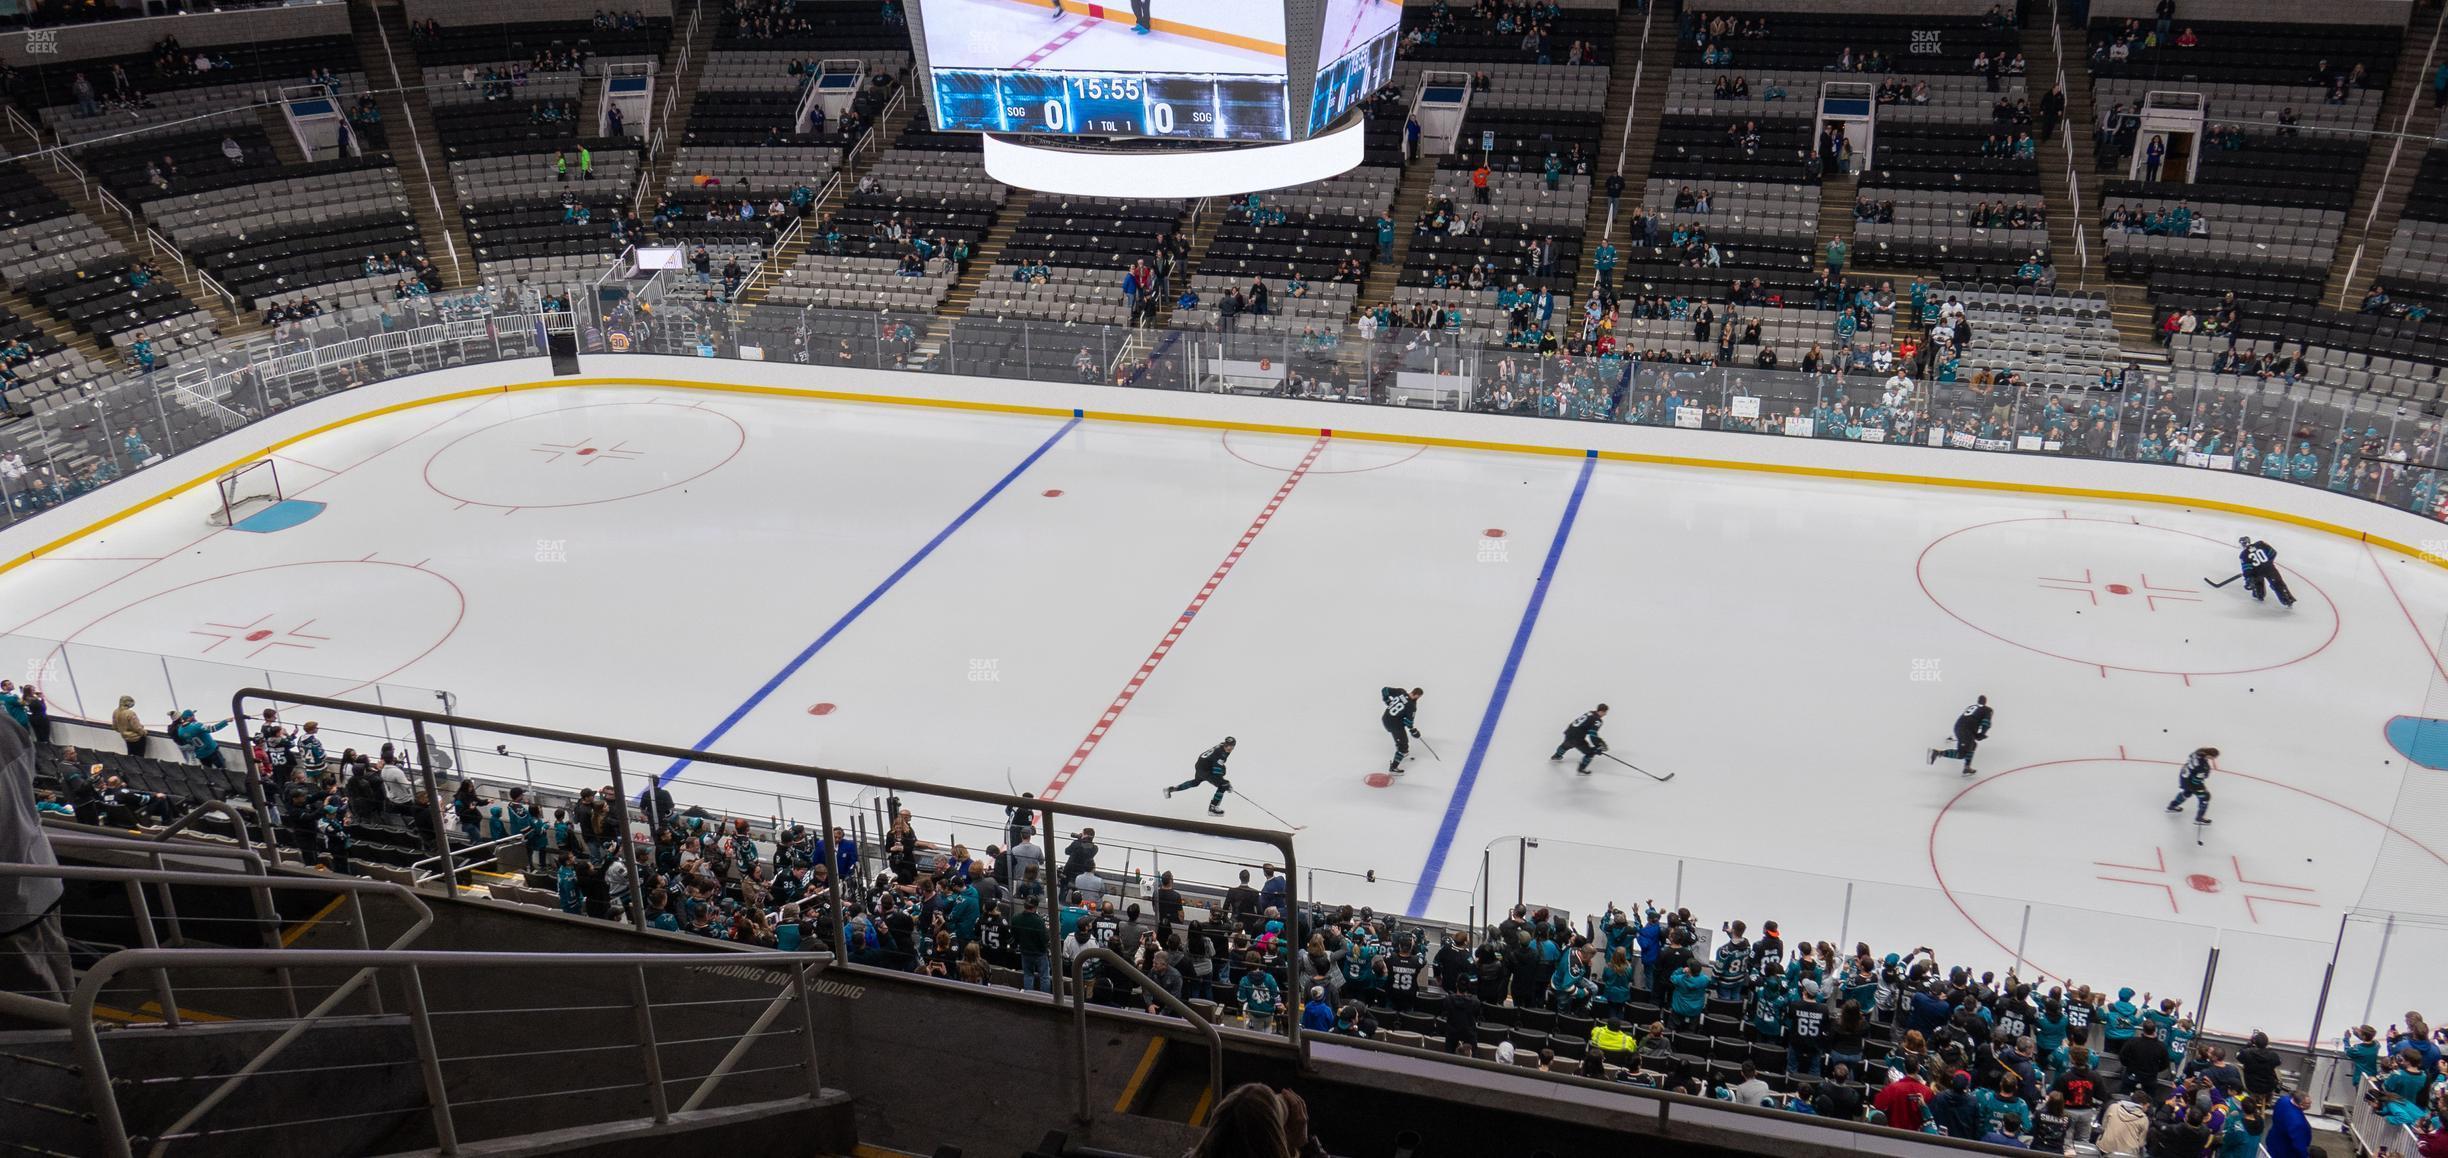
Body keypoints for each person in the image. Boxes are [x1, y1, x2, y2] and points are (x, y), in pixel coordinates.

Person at [1164, 737, 1235, 816]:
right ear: (1225, 744)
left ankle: (1171, 789)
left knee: (1196, 782)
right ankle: (1213, 808)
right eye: (1227, 745)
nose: (1229, 748)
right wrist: (1226, 784)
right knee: (1223, 785)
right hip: (1205, 769)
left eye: (1231, 746)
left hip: (1201, 766)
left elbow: (1218, 763)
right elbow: (1217, 772)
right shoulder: (1221, 753)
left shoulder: (1221, 747)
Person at [1929, 694, 1994, 775]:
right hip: (1966, 729)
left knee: (1973, 745)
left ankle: (1967, 767)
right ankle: (1938, 753)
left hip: (1959, 727)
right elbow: (1986, 723)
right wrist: (1982, 734)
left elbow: (1971, 719)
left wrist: (1977, 735)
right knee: (1961, 754)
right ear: (1985, 702)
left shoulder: (1972, 707)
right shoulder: (1987, 710)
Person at [2165, 747, 2219, 825]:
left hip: (2184, 776)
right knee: (2205, 797)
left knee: (2187, 792)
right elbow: (2196, 781)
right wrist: (2202, 788)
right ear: (2210, 756)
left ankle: (2172, 806)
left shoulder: (2198, 751)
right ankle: (2199, 818)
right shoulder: (2204, 767)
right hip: (2191, 781)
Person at [2237, 537, 2295, 607]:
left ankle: (2259, 595)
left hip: (2258, 572)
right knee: (2278, 583)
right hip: (2270, 569)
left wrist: (2249, 579)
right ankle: (2287, 600)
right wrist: (2268, 563)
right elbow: (2273, 552)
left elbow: (2247, 569)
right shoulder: (2260, 544)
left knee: (2257, 581)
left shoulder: (2243, 554)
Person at [1550, 704, 1609, 774]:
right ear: (1602, 711)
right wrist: (1598, 746)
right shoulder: (1598, 720)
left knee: (1566, 745)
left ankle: (1556, 756)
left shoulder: (1590, 713)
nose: (1605, 714)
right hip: (1577, 738)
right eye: (1605, 712)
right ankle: (1581, 770)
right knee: (1590, 753)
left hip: (1569, 732)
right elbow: (1592, 734)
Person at [1379, 686, 1422, 774]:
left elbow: (1385, 690)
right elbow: (1408, 722)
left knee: (1400, 737)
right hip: (1394, 724)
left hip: (1385, 718)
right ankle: (1394, 768)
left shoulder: (1401, 692)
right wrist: (1414, 731)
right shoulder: (1411, 706)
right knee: (1403, 745)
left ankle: (1404, 752)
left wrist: (1387, 700)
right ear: (1417, 696)